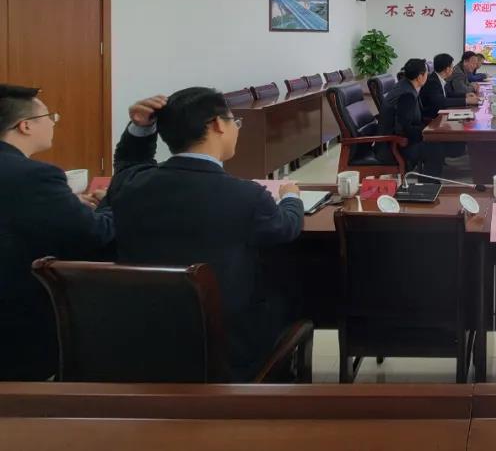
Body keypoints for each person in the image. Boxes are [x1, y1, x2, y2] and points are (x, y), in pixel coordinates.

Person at [103, 88, 303, 382]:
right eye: (235, 121)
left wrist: (140, 130)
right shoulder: (246, 196)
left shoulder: (129, 186)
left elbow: (128, 164)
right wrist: (291, 197)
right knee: (290, 296)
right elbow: (286, 227)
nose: (236, 129)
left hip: (146, 342)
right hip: (228, 351)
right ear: (218, 124)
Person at [0, 84, 115, 381]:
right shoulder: (35, 175)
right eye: (49, 117)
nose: (53, 123)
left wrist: (67, 204)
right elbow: (94, 234)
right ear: (25, 125)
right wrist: (110, 203)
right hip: (18, 325)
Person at [377, 58, 441, 172]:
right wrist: (427, 132)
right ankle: (427, 182)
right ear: (420, 77)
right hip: (394, 146)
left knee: (436, 142)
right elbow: (404, 129)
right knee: (435, 149)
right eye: (427, 73)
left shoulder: (406, 86)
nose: (428, 76)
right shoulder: (407, 95)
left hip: (398, 141)